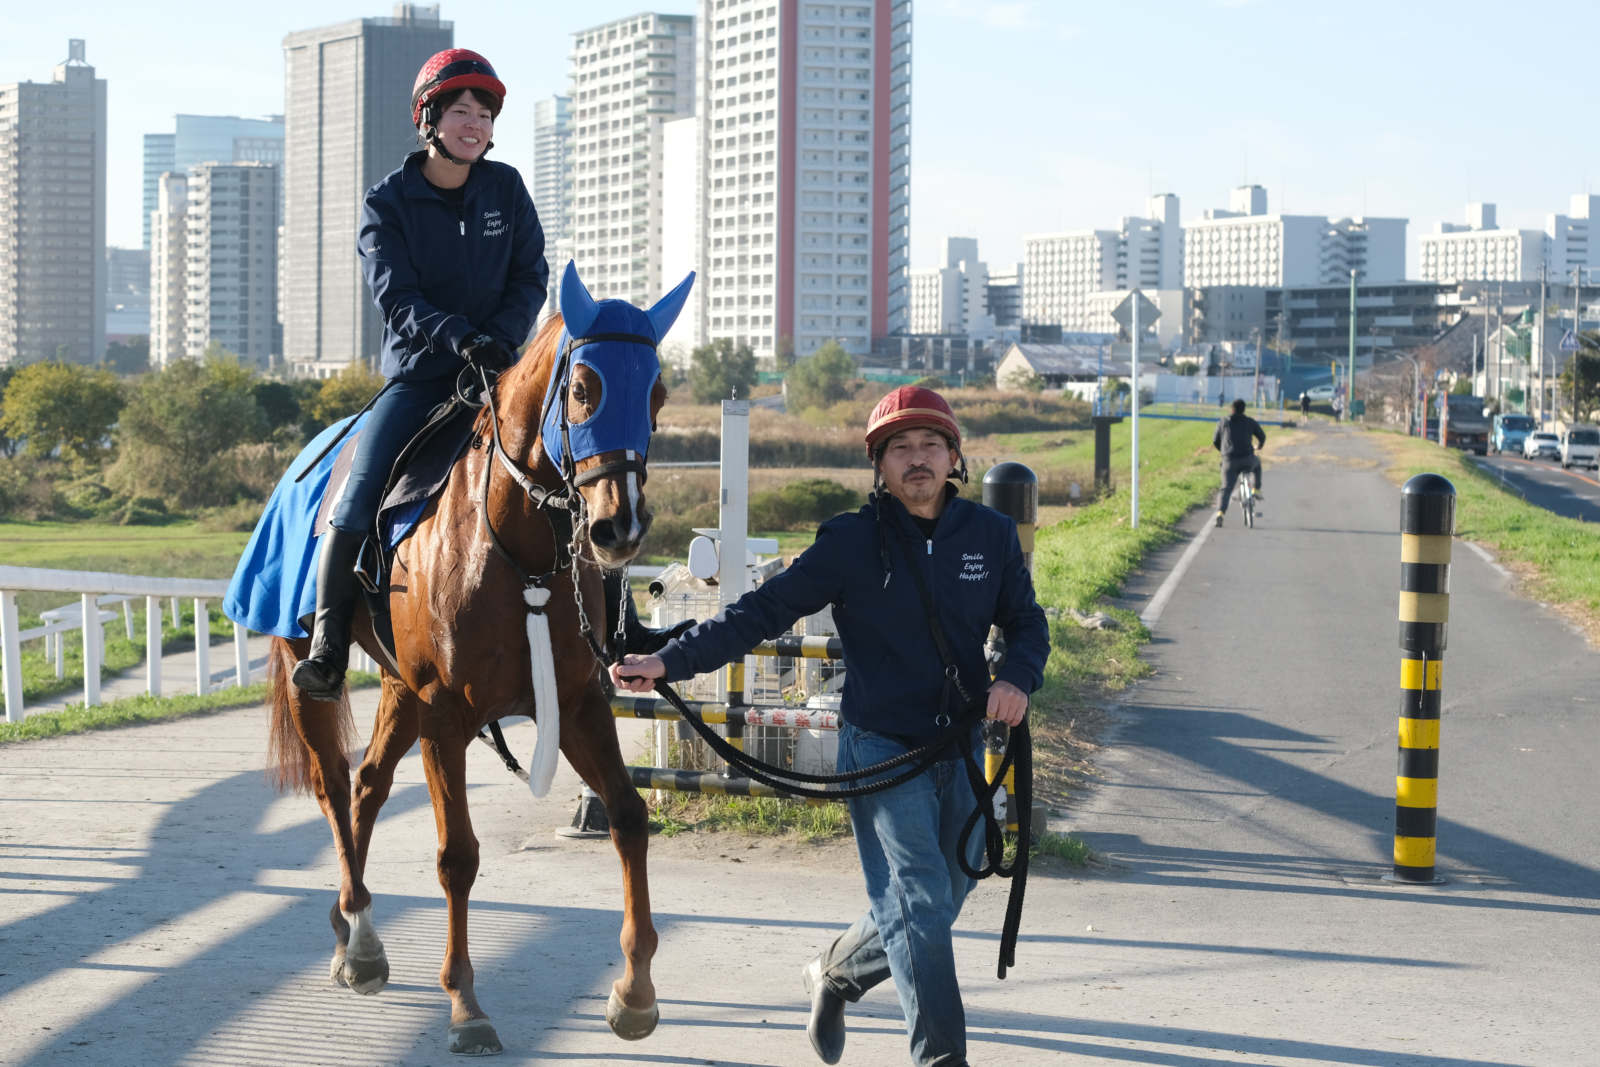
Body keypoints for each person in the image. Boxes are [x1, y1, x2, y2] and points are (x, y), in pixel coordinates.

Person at [610, 386, 1049, 1067]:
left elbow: (1026, 622)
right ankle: (941, 1058)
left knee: (945, 891)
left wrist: (1019, 675)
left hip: (957, 745)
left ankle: (836, 973)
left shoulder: (988, 536)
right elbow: (759, 612)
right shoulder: (849, 541)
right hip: (878, 747)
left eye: (930, 444)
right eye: (898, 448)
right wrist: (670, 658)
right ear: (878, 465)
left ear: (954, 454)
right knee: (923, 901)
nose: (917, 459)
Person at [1213, 398, 1266, 527]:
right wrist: (1258, 446)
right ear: (1244, 410)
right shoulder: (1249, 422)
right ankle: (1256, 489)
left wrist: (1224, 451)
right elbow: (1262, 436)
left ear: (1232, 409)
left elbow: (1215, 441)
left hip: (1229, 461)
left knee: (1226, 488)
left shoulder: (1223, 422)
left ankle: (1220, 513)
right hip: (1247, 459)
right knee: (1257, 463)